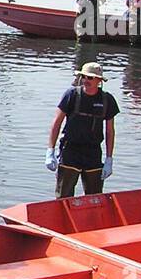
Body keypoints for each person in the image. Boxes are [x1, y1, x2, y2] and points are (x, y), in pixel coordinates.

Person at [45, 62, 119, 198]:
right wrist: (50, 151)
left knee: (95, 197)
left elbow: (110, 131)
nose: (86, 80)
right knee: (63, 196)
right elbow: (56, 123)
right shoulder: (71, 95)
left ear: (99, 80)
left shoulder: (107, 100)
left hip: (93, 152)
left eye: (90, 78)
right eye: (83, 77)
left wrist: (109, 159)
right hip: (70, 151)